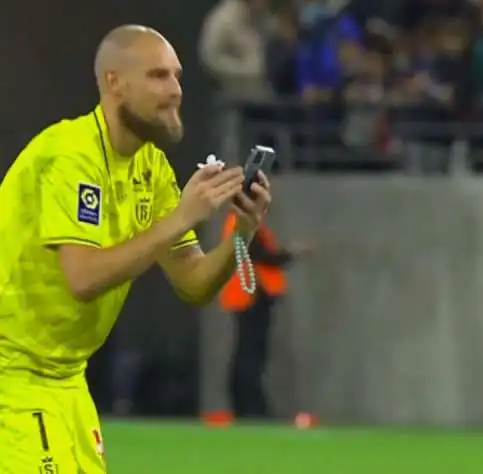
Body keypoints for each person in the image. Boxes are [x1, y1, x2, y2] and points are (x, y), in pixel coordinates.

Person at [0, 25, 270, 474]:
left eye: (177, 76)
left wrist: (243, 230)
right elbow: (82, 278)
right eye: (158, 76)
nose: (175, 91)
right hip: (11, 378)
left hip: (65, 381)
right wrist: (181, 218)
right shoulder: (70, 157)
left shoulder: (149, 166)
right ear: (114, 83)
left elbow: (194, 283)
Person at [220, 211, 313, 419]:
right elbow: (261, 255)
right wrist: (293, 252)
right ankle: (250, 408)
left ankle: (246, 407)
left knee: (248, 353)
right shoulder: (243, 224)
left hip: (248, 296)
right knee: (250, 355)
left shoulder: (243, 224)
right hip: (251, 297)